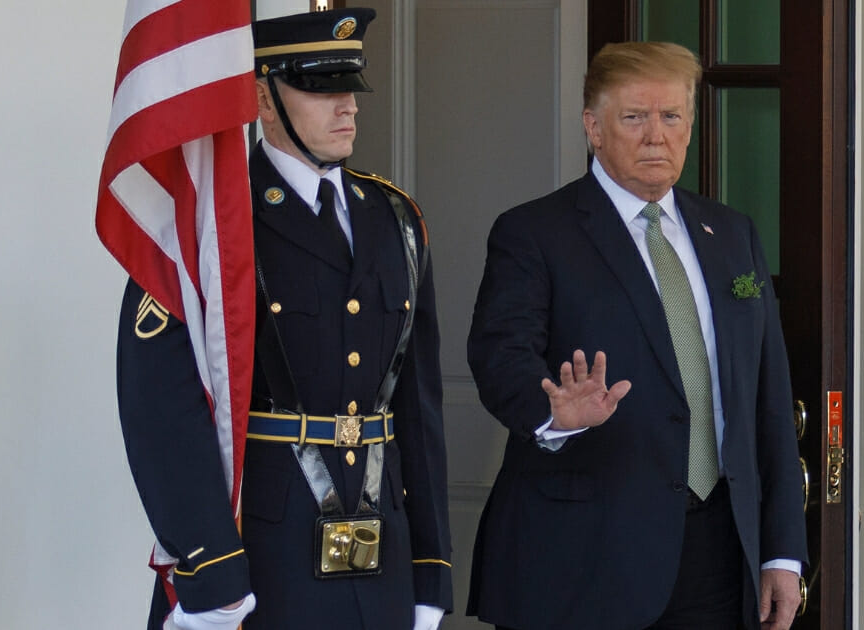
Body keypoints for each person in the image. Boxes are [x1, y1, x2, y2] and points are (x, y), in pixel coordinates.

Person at [115, 9, 452, 629]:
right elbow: (161, 407)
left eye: (350, 88)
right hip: (262, 560)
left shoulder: (396, 218)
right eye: (320, 88)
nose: (346, 106)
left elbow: (418, 409)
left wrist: (431, 568)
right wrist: (209, 571)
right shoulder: (208, 229)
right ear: (262, 98)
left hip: (383, 559)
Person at [466, 41, 808, 630]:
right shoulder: (533, 232)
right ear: (593, 128)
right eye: (634, 117)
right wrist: (554, 412)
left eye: (671, 116)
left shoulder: (732, 235)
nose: (657, 135)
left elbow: (768, 402)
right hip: (581, 558)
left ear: (691, 125)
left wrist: (781, 551)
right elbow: (499, 356)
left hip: (717, 556)